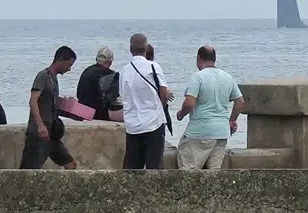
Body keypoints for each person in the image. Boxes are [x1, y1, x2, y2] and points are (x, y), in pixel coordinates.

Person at [175, 45, 244, 170]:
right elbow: (240, 101)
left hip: (199, 132)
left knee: (188, 170)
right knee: (213, 173)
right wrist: (231, 120)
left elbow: (189, 103)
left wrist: (181, 114)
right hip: (222, 132)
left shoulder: (198, 77)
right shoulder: (227, 77)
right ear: (214, 59)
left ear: (199, 58)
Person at [118, 33, 172, 170]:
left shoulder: (124, 71)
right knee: (154, 167)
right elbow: (164, 94)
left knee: (132, 168)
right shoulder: (153, 67)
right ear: (147, 48)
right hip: (153, 122)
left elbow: (122, 95)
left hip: (132, 125)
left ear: (130, 49)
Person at [20, 47, 79, 170]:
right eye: (68, 65)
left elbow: (49, 102)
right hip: (38, 134)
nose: (69, 69)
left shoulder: (54, 79)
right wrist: (40, 126)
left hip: (52, 134)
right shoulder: (43, 76)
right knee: (27, 172)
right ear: (60, 60)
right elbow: (33, 101)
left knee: (70, 164)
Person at [75, 47, 119, 120]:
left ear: (96, 59)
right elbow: (113, 97)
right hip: (98, 114)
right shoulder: (111, 75)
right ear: (110, 62)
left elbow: (78, 94)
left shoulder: (86, 71)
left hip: (83, 112)